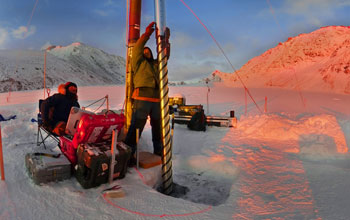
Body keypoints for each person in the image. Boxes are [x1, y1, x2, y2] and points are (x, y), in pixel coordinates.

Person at [124, 21, 170, 164]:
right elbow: (137, 48)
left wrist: (166, 41)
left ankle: (159, 151)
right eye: (144, 51)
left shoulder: (156, 64)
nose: (146, 51)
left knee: (158, 128)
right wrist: (148, 33)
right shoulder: (138, 63)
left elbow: (165, 56)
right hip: (142, 97)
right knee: (137, 126)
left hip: (157, 99)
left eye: (148, 51)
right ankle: (128, 154)